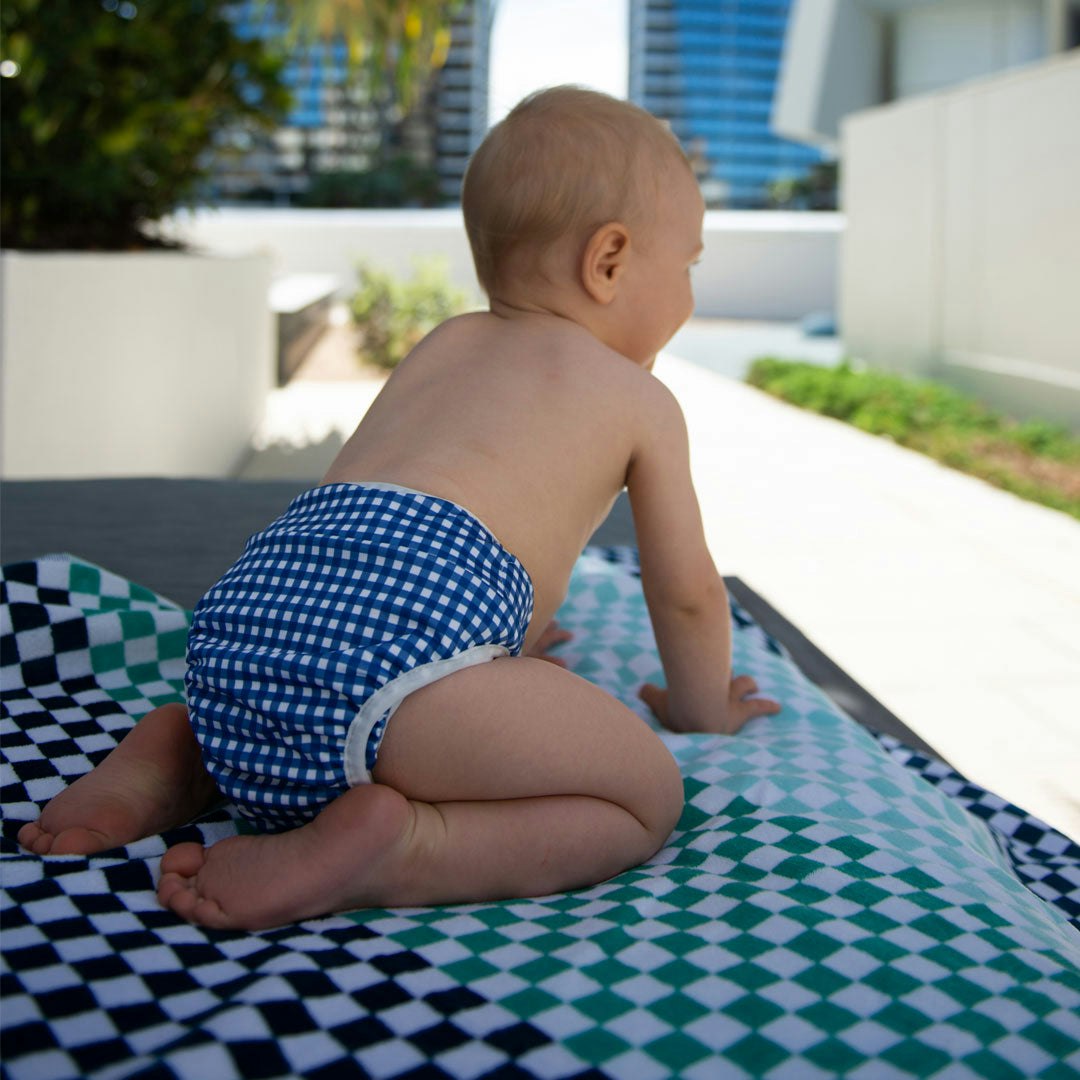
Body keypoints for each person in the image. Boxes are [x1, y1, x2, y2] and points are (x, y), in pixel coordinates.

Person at [19, 87, 780, 930]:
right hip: (393, 666)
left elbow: (395, 512)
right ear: (608, 261)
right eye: (689, 266)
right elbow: (685, 594)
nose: (690, 295)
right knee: (644, 798)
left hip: (240, 627)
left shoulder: (446, 343)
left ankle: (182, 752)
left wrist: (497, 645)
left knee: (310, 694)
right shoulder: (638, 399)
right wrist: (703, 706)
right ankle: (404, 844)